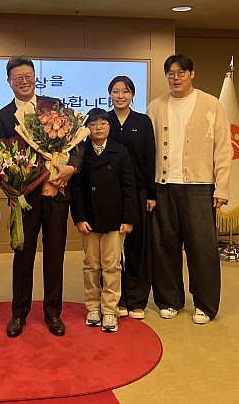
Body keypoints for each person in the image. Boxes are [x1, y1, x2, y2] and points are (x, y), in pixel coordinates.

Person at [0, 55, 83, 338]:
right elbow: (1, 159)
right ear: (9, 82)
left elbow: (77, 145)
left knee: (55, 255)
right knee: (23, 256)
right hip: (26, 197)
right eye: (18, 78)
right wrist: (12, 190)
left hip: (57, 193)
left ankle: (53, 312)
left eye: (28, 76)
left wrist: (71, 168)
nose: (24, 81)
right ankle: (19, 314)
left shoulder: (53, 107)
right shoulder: (2, 117)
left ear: (35, 78)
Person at [147, 54, 231, 324]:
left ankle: (205, 304)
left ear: (191, 74)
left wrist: (222, 187)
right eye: (171, 73)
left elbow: (223, 148)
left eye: (181, 72)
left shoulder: (211, 104)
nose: (176, 78)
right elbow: (147, 150)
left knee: (201, 247)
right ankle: (169, 300)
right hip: (163, 186)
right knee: (164, 246)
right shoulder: (155, 107)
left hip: (199, 187)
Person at [70, 108, 136, 333]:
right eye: (93, 124)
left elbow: (129, 187)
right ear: (86, 128)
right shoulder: (80, 152)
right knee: (91, 266)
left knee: (112, 266)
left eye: (103, 124)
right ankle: (92, 308)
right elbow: (76, 189)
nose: (98, 128)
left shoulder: (120, 151)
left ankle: (110, 310)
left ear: (109, 126)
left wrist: (128, 219)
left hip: (115, 220)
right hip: (89, 220)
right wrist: (79, 218)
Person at [107, 75, 156, 320]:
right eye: (116, 91)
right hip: (108, 194)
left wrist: (151, 193)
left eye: (125, 91)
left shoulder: (143, 122)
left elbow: (149, 158)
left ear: (132, 95)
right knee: (111, 251)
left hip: (137, 193)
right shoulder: (103, 120)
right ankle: (117, 298)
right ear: (110, 94)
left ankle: (137, 300)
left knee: (137, 247)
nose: (120, 96)